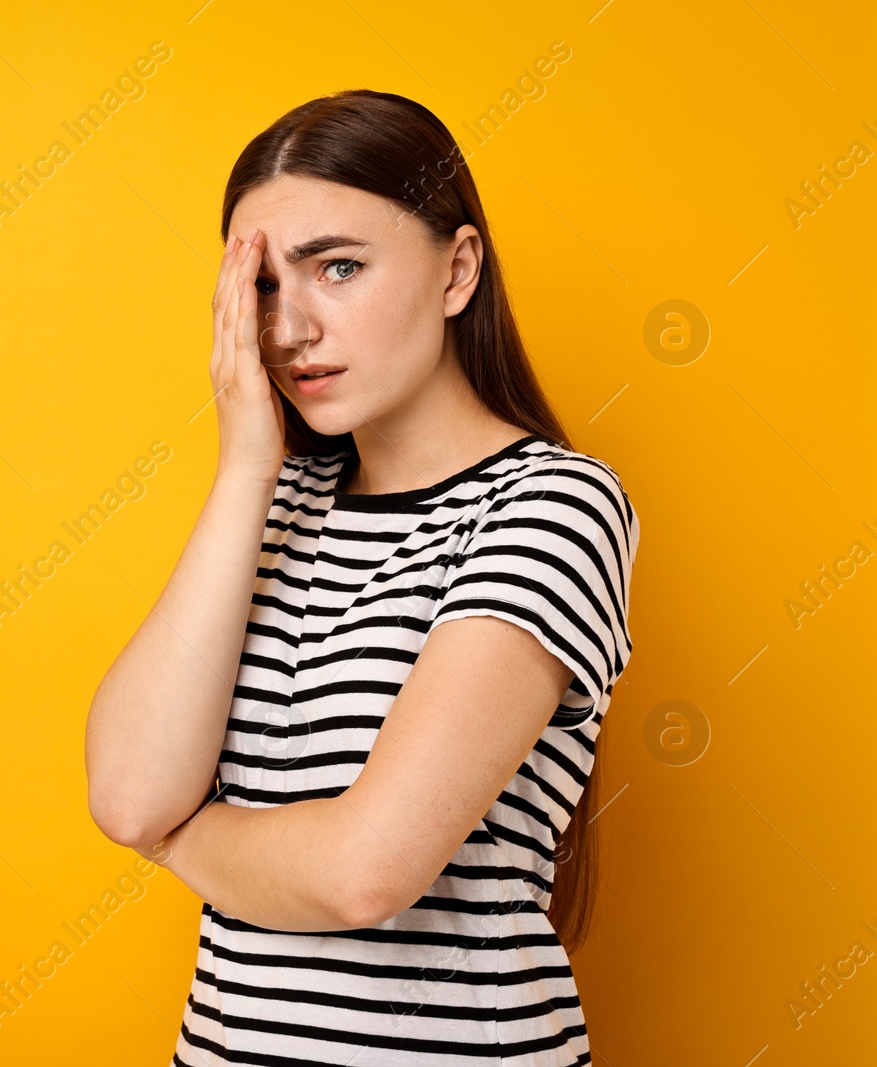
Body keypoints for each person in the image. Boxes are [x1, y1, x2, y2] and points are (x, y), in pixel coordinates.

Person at [84, 89, 638, 1066]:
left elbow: (363, 871)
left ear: (456, 269)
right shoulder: (274, 501)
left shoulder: (552, 505)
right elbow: (128, 792)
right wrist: (246, 465)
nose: (290, 326)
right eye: (260, 286)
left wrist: (182, 840)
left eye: (337, 267)